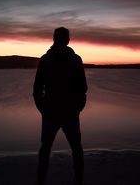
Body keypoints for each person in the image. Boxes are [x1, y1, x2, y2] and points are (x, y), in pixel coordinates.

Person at [33, 27, 88, 185]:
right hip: (66, 112)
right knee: (76, 148)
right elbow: (83, 89)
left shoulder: (45, 59)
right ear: (68, 39)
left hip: (54, 111)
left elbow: (37, 90)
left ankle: (40, 182)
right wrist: (77, 108)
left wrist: (43, 109)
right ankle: (78, 182)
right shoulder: (75, 59)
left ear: (54, 39)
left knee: (46, 149)